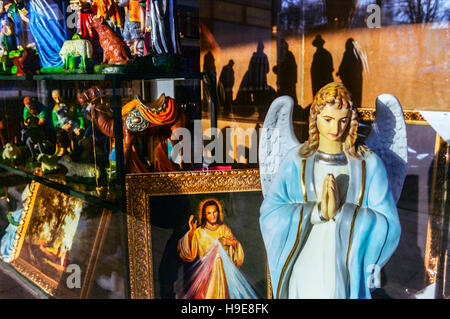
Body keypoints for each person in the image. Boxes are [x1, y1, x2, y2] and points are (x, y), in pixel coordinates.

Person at [260, 82, 401, 299]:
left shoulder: (368, 164)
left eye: (342, 120)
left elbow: (389, 225)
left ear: (351, 120)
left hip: (346, 268)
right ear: (315, 117)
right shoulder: (297, 160)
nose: (335, 128)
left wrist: (341, 214)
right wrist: (317, 213)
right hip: (306, 263)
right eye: (328, 119)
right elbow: (270, 213)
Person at [177, 199, 244, 299]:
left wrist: (229, 242)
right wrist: (191, 233)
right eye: (209, 213)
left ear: (218, 212)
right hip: (206, 275)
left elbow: (236, 251)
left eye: (214, 212)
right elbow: (188, 254)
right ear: (204, 215)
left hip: (224, 276)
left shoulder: (224, 230)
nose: (212, 216)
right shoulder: (199, 232)